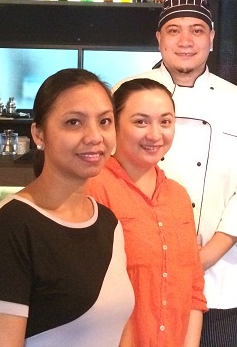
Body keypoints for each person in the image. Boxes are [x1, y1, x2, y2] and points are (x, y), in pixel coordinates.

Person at [116, 0, 237, 347]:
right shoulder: (126, 92)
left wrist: (203, 257)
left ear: (212, 38)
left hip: (217, 277)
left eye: (197, 30)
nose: (186, 41)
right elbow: (110, 177)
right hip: (138, 277)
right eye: (174, 30)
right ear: (159, 39)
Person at [0, 69, 134, 347]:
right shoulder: (11, 227)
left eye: (105, 121)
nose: (94, 136)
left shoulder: (107, 222)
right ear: (39, 133)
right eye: (74, 122)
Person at [87, 78, 207, 347]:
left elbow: (193, 291)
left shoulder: (177, 196)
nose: (155, 135)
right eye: (141, 122)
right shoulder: (94, 190)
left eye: (165, 122)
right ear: (114, 125)